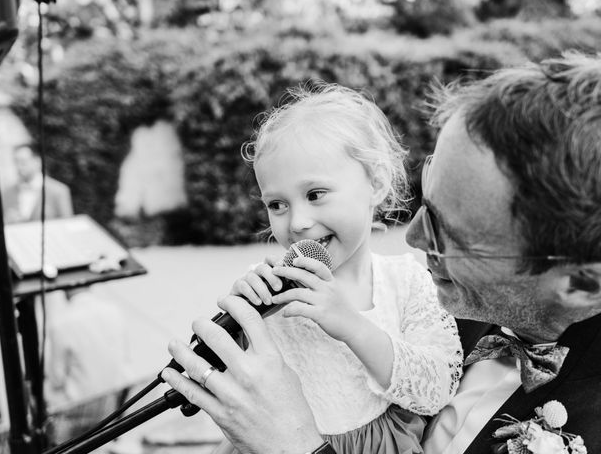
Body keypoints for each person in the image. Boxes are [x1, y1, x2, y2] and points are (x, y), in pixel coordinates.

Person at [162, 51, 601, 454]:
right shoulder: (457, 303)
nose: (412, 238)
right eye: (428, 200)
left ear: (580, 282)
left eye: (452, 233)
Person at [2, 141, 73, 224]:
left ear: (37, 161)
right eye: (16, 162)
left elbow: (68, 225)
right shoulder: (7, 193)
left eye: (23, 162)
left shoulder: (58, 191)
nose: (19, 167)